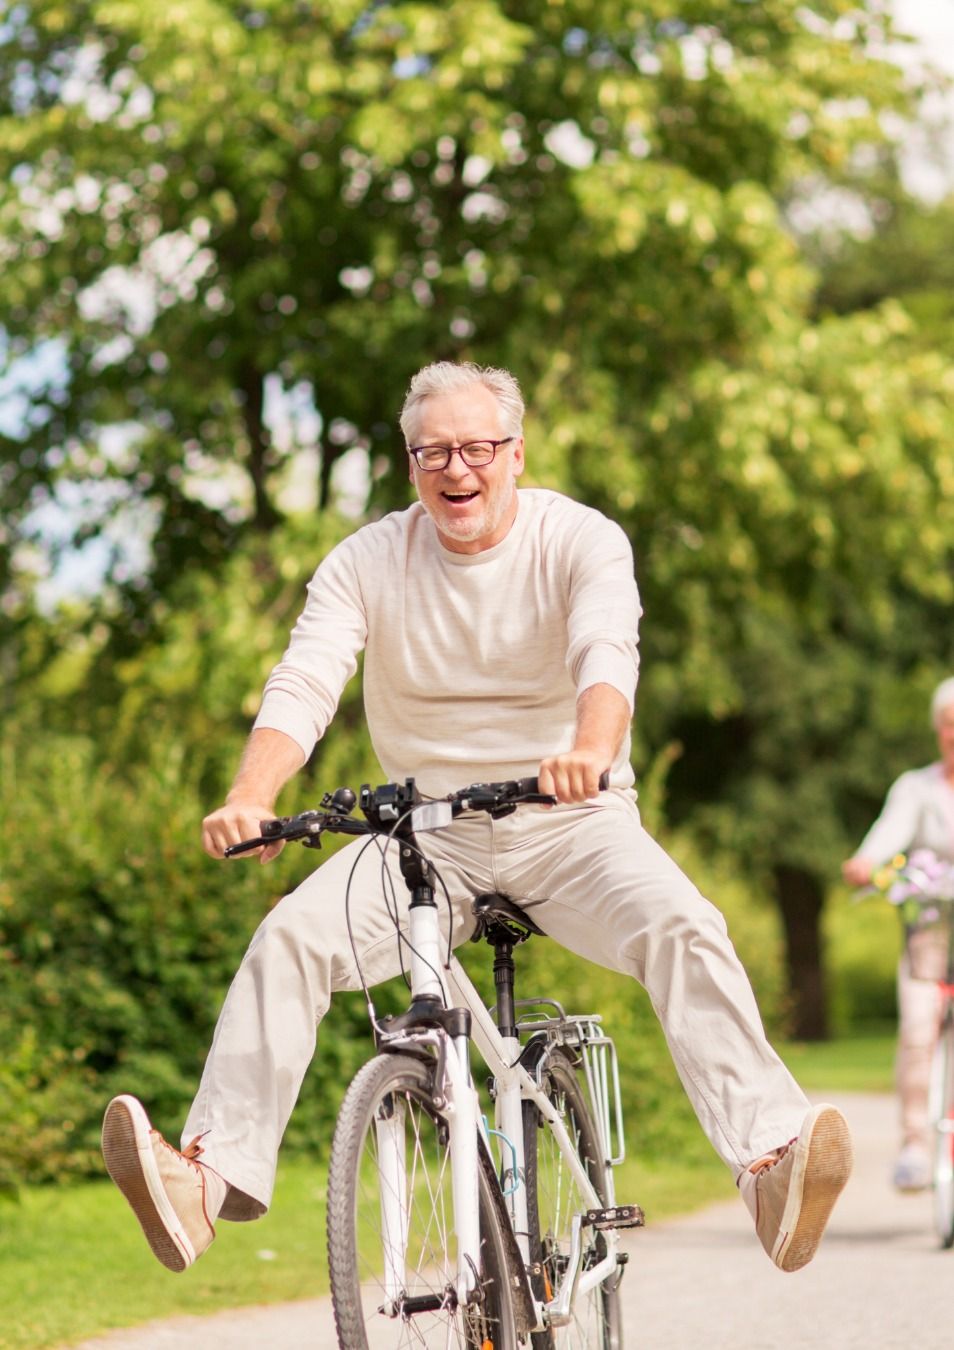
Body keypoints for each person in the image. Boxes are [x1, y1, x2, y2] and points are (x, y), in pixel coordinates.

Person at [102, 360, 852, 1277]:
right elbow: (306, 679)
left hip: (571, 821)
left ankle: (771, 1164)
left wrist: (590, 748)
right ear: (410, 464)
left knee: (684, 925)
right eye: (433, 453)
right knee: (289, 939)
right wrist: (250, 796)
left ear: (515, 453)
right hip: (425, 836)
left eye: (476, 448)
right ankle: (203, 1184)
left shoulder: (579, 539)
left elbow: (606, 652)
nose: (457, 470)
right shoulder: (368, 559)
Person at [842, 678, 954, 1191]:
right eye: (949, 722)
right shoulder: (918, 788)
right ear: (938, 729)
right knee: (917, 1030)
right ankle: (914, 1143)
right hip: (930, 933)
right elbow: (889, 833)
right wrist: (867, 862)